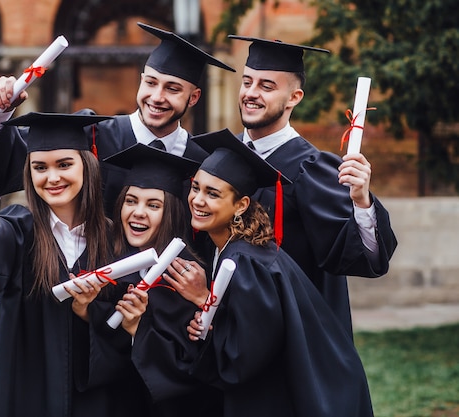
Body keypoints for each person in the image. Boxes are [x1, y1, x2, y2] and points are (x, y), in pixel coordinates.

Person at [0, 112, 143, 417]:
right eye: (39, 167)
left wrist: (88, 312)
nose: (52, 177)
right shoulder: (18, 229)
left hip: (99, 400)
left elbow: (125, 340)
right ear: (28, 173)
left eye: (64, 164)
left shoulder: (117, 242)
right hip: (29, 395)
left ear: (88, 165)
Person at [185, 128, 374, 417]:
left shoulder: (246, 265)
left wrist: (203, 301)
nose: (198, 200)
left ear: (241, 205)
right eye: (196, 187)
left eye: (213, 194)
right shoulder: (244, 249)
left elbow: (241, 358)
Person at [0, 22, 235, 216]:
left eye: (172, 89)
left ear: (194, 97)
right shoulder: (90, 135)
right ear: (141, 81)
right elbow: (14, 163)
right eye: (151, 83)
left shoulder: (204, 162)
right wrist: (0, 110)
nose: (157, 96)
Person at [227, 36, 398, 333]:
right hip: (226, 327)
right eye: (247, 82)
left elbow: (362, 258)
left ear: (294, 97)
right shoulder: (223, 157)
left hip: (288, 331)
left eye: (266, 86)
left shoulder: (310, 168)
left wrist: (361, 202)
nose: (251, 93)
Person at [79, 143, 223, 417]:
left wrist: (137, 329)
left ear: (171, 213)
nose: (138, 212)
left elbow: (195, 368)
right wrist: (85, 310)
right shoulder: (107, 267)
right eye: (130, 201)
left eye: (153, 205)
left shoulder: (187, 278)